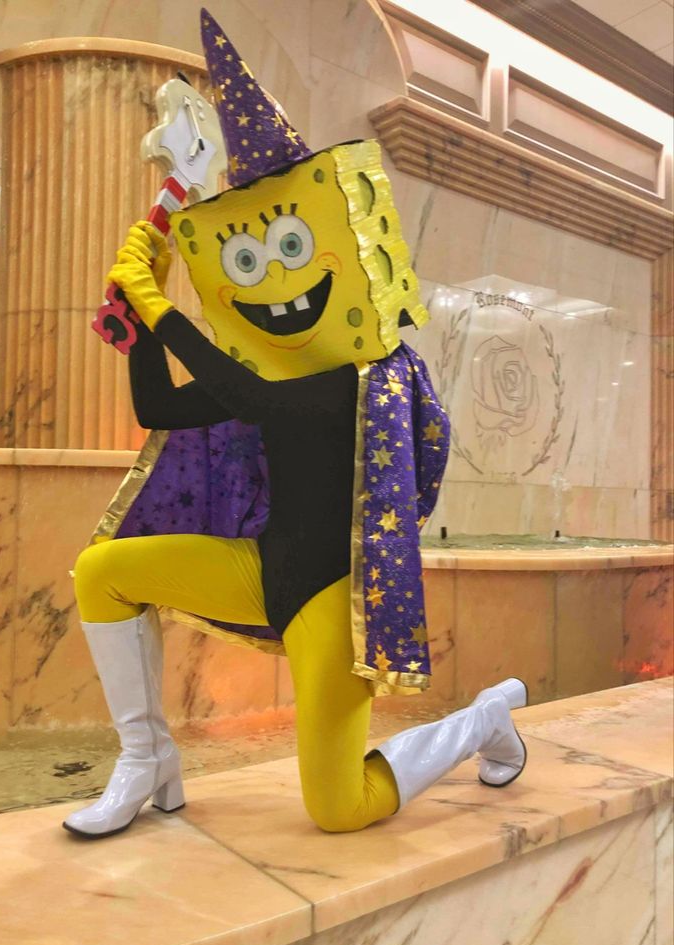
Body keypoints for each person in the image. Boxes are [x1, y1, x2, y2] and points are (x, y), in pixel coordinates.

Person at [62, 9, 528, 840]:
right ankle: (147, 760)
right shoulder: (273, 370)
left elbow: (254, 400)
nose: (273, 278)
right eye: (249, 261)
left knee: (338, 806)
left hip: (330, 604)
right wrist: (139, 327)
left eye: (289, 246)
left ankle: (484, 720)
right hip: (261, 571)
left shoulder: (363, 375)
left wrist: (159, 307)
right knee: (103, 571)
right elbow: (161, 408)